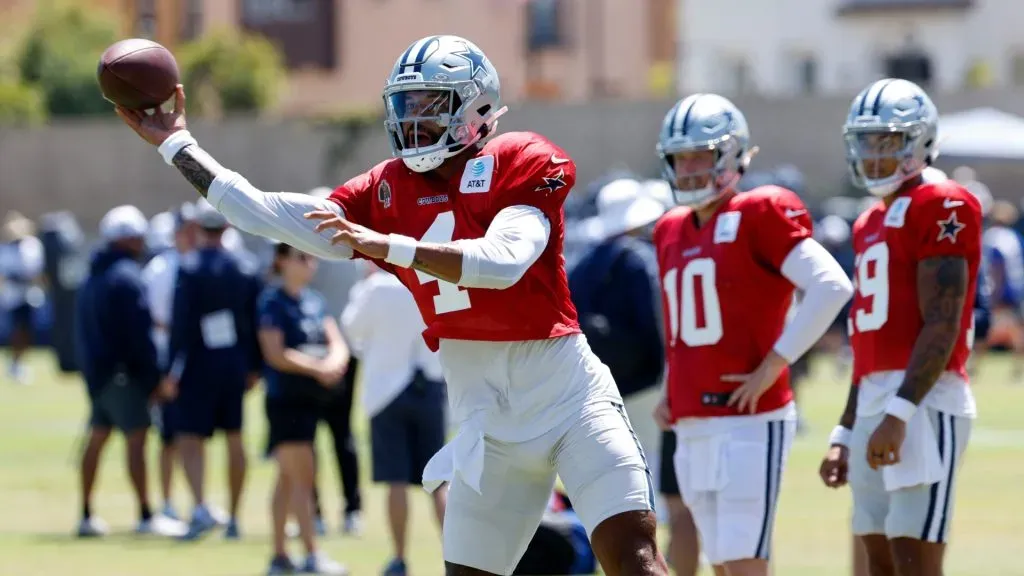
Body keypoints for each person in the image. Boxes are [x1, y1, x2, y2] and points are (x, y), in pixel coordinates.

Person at [116, 34, 666, 576]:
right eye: (405, 104)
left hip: (569, 399)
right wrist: (177, 145)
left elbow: (503, 262)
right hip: (487, 425)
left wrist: (386, 244)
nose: (412, 119)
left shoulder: (519, 156)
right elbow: (266, 214)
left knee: (633, 559)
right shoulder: (386, 186)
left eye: (429, 104)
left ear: (475, 106)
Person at [651, 93, 853, 576]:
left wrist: (775, 363)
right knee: (720, 560)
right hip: (691, 418)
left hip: (747, 416)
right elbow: (683, 329)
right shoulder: (670, 228)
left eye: (700, 154)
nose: (689, 167)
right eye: (681, 157)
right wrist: (669, 389)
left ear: (730, 154)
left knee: (743, 560)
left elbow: (831, 285)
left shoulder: (760, 210)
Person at [819, 78, 981, 576]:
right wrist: (846, 428)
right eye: (866, 141)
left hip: (924, 399)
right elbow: (868, 338)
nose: (873, 154)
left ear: (921, 140)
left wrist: (900, 411)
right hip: (874, 397)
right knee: (876, 557)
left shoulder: (943, 201)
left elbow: (944, 319)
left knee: (915, 559)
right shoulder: (870, 219)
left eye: (887, 140)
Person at [74, 205, 185, 538]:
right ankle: (146, 515)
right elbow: (140, 334)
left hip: (99, 374)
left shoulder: (93, 275)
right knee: (136, 440)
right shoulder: (127, 278)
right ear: (129, 239)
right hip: (124, 375)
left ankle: (86, 514)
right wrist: (153, 377)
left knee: (96, 439)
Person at [342, 261, 448, 576]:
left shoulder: (377, 287)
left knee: (396, 480)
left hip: (387, 390)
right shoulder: (432, 278)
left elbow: (352, 329)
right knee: (439, 480)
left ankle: (400, 558)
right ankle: (456, 558)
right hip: (429, 385)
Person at [167, 201, 264, 540]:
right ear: (226, 229)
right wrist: (255, 367)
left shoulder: (189, 267)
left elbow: (180, 324)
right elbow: (256, 322)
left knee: (191, 437)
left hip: (198, 364)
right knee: (235, 437)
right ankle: (235, 517)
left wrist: (169, 368)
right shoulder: (246, 267)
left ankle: (200, 506)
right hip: (235, 364)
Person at [259, 242, 349, 575]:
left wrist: (335, 361)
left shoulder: (314, 300)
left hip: (311, 401)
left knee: (287, 478)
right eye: (302, 257)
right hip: (286, 401)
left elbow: (336, 340)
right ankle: (311, 554)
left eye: (311, 257)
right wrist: (318, 368)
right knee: (303, 476)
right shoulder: (273, 301)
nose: (310, 263)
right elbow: (275, 353)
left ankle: (279, 557)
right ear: (282, 261)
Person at [568, 178, 666, 466]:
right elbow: (654, 322)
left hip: (596, 387)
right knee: (650, 462)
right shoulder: (640, 259)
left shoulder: (583, 263)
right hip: (644, 383)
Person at [142, 203, 198, 522]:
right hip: (168, 359)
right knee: (168, 437)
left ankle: (196, 501)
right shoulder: (161, 269)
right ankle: (165, 500)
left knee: (193, 434)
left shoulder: (200, 264)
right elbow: (153, 319)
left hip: (196, 360)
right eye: (186, 229)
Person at [1, 211, 44, 384]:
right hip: (13, 297)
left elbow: (36, 270)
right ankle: (14, 364)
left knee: (28, 332)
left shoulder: (31, 246)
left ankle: (19, 363)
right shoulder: (6, 249)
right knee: (17, 332)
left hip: (30, 296)